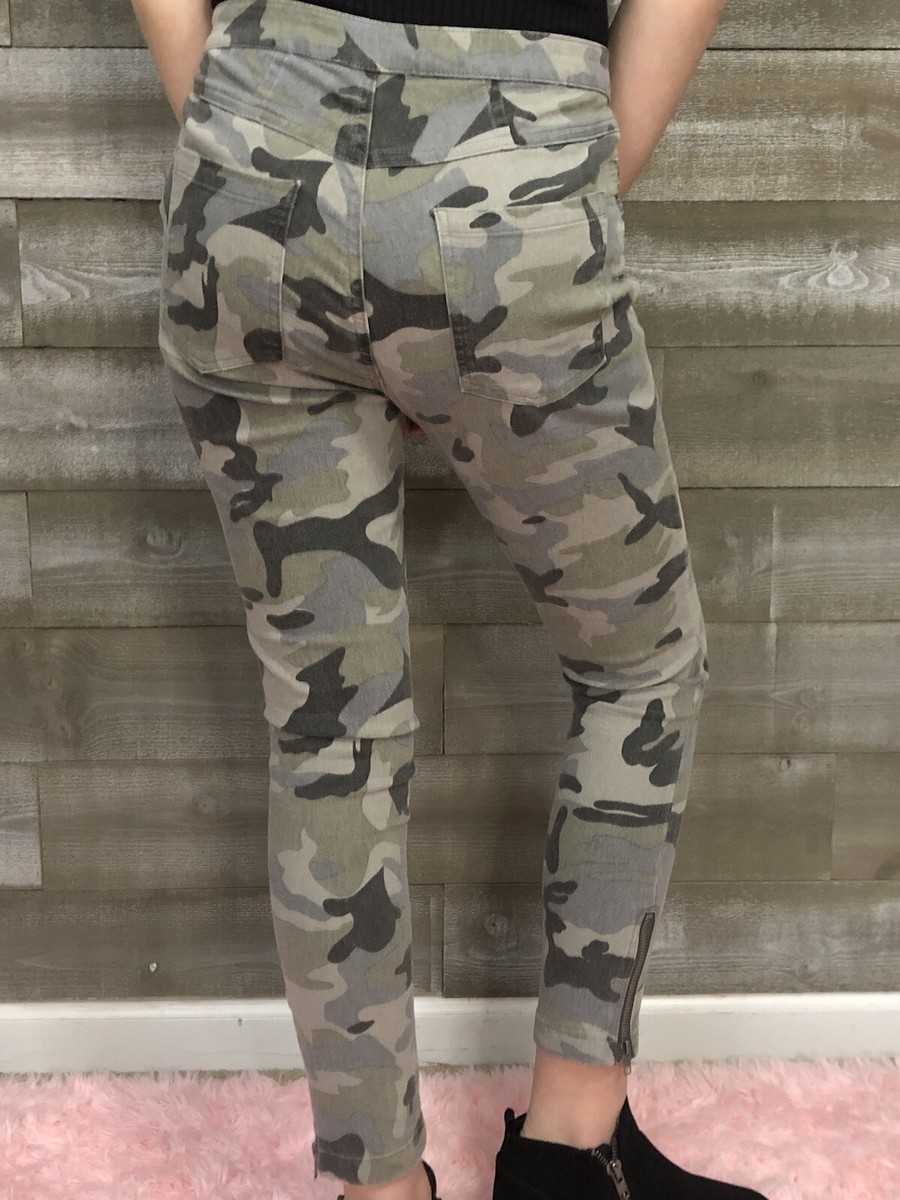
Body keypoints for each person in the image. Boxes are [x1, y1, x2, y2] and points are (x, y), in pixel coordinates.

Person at [133, 0, 767, 1197]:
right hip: (508, 170)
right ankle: (572, 1154)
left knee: (330, 724)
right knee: (639, 667)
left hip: (253, 158)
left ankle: (378, 1188)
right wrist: (536, 213)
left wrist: (231, 135)